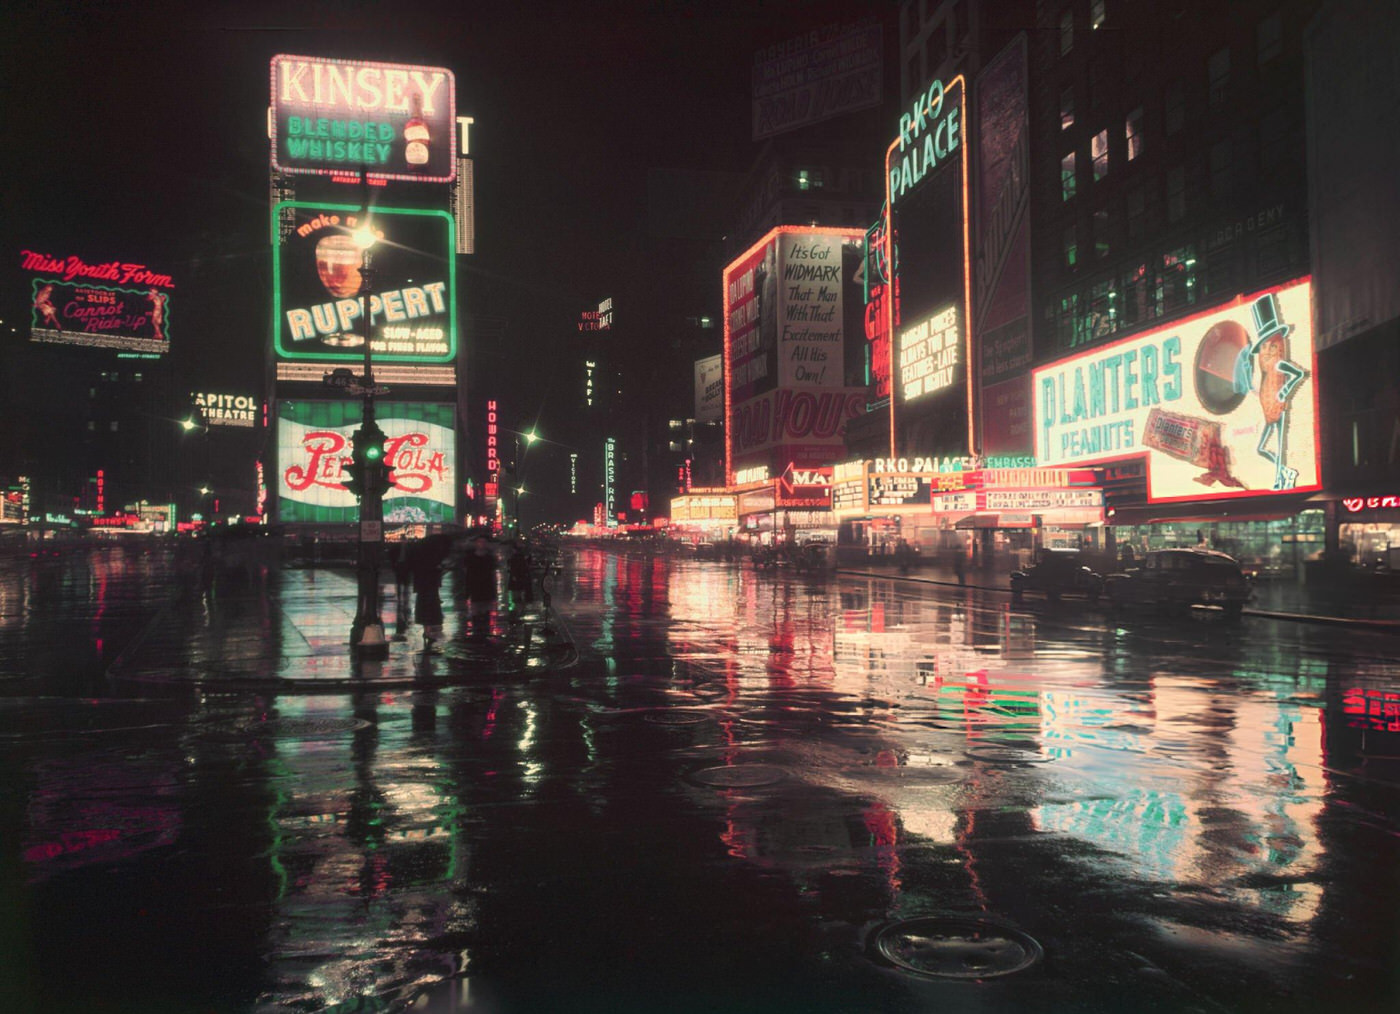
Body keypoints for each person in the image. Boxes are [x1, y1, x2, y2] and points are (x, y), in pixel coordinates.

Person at [410, 535, 451, 649]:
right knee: (429, 608)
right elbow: (434, 571)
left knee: (424, 609)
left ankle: (427, 630)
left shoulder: (420, 556)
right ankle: (428, 631)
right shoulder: (431, 558)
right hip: (429, 586)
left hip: (423, 587)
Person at [460, 535, 499, 633]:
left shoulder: (490, 558)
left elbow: (493, 573)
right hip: (475, 587)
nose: (481, 544)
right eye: (479, 542)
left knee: (486, 612)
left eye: (483, 542)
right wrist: (466, 590)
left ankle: (485, 632)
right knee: (476, 612)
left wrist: (495, 589)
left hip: (487, 587)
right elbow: (466, 574)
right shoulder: (470, 557)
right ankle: (477, 632)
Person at [389, 540, 414, 641]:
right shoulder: (399, 548)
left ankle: (403, 594)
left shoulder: (406, 548)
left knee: (405, 582)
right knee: (400, 582)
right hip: (400, 565)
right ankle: (401, 594)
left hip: (405, 566)